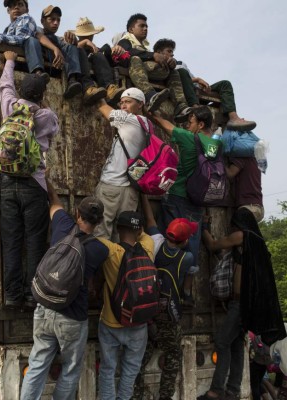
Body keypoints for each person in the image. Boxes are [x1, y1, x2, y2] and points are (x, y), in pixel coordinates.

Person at [20, 180, 108, 400]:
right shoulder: (100, 250)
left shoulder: (62, 226)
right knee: (70, 369)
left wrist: (48, 181)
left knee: (37, 364)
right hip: (72, 316)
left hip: (44, 307)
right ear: (100, 222)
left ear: (77, 214)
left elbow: (55, 203)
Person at [0, 51, 59, 309]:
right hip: (34, 184)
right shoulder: (46, 116)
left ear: (22, 90)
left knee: (11, 241)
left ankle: (12, 295)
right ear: (41, 96)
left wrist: (9, 60)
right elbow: (53, 134)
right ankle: (32, 296)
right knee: (34, 241)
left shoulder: (10, 106)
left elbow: (4, 85)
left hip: (7, 182)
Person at [199, 208, 286, 400]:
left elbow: (213, 245)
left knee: (222, 342)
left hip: (241, 304)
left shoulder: (242, 236)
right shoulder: (258, 243)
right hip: (249, 304)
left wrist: (203, 226)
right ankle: (233, 391)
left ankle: (216, 391)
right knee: (237, 345)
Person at [136, 196, 198, 400]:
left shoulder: (155, 243)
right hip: (169, 315)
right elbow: (187, 278)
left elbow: (150, 219)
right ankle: (164, 396)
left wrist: (144, 196)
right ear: (186, 240)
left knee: (139, 358)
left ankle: (136, 394)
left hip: (148, 312)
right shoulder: (187, 258)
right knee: (173, 355)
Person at [149, 106, 220, 273]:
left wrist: (152, 114)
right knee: (192, 242)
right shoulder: (216, 144)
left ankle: (163, 279)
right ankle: (186, 290)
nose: (188, 125)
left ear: (201, 124)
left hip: (178, 196)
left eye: (190, 122)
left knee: (167, 241)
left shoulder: (190, 138)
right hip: (198, 200)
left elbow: (166, 126)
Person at [96, 210, 155, 400]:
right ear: (138, 231)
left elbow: (92, 235)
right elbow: (145, 234)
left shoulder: (111, 252)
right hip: (138, 323)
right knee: (130, 372)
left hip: (111, 322)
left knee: (107, 370)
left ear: (119, 229)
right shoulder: (148, 248)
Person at [152, 38, 256, 131]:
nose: (172, 54)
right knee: (182, 73)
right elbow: (174, 79)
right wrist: (196, 79)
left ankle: (234, 118)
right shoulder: (158, 63)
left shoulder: (180, 63)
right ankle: (196, 109)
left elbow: (189, 78)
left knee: (225, 84)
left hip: (194, 88)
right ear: (159, 52)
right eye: (169, 51)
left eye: (172, 52)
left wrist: (199, 83)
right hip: (183, 92)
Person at [92, 88, 152, 241]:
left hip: (111, 185)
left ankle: (104, 265)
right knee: (123, 237)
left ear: (140, 104)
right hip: (131, 190)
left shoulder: (129, 119)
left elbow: (103, 107)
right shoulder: (147, 125)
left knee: (101, 234)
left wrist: (97, 94)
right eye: (122, 102)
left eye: (128, 102)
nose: (123, 106)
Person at [117, 14, 189, 120]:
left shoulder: (145, 46)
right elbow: (129, 53)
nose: (145, 29)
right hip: (133, 72)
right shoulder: (125, 41)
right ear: (131, 29)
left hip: (149, 73)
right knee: (135, 58)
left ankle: (181, 106)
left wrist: (169, 62)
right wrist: (153, 55)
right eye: (141, 26)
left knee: (174, 72)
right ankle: (150, 96)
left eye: (146, 26)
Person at [39, 5, 105, 102]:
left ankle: (78, 83)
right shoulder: (38, 31)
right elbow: (38, 37)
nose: (56, 23)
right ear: (42, 21)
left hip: (61, 63)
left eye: (58, 20)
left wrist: (73, 42)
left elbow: (67, 45)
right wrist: (55, 48)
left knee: (78, 49)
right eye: (52, 19)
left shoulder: (58, 38)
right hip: (48, 65)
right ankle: (78, 82)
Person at [0, 0, 61, 80]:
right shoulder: (7, 29)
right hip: (15, 62)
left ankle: (38, 72)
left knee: (31, 40)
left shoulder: (26, 18)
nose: (16, 7)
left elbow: (21, 39)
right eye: (13, 5)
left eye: (20, 4)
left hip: (26, 62)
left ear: (27, 10)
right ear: (8, 10)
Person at [70, 17, 126, 105]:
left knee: (99, 54)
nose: (88, 37)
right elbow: (67, 47)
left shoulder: (95, 50)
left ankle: (109, 88)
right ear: (78, 36)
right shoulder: (71, 43)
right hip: (79, 77)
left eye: (89, 35)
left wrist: (115, 50)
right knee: (80, 51)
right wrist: (84, 42)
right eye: (85, 36)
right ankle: (88, 89)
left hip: (97, 75)